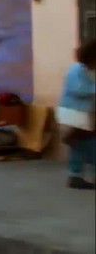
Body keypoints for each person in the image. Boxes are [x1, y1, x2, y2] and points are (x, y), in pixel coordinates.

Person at [56, 40, 96, 190]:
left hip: (86, 115)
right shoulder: (76, 70)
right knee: (81, 146)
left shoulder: (90, 70)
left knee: (85, 146)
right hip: (75, 115)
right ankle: (75, 176)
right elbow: (78, 89)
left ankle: (76, 175)